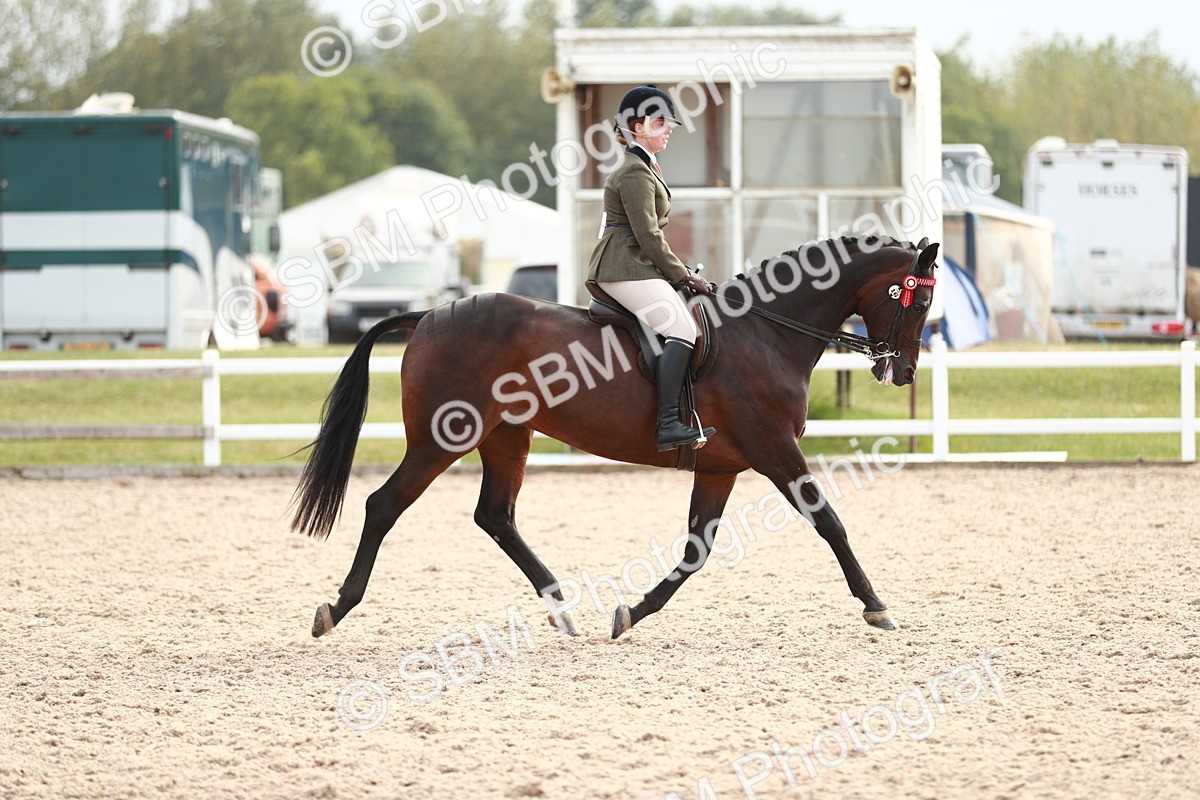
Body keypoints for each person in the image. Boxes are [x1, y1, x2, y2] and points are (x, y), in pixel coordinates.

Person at [587, 85, 717, 452]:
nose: (669, 129)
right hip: (623, 266)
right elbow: (648, 235)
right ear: (637, 126)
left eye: (669, 123)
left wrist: (679, 270)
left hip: (635, 264)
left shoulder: (644, 166)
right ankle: (669, 424)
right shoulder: (634, 172)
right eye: (661, 122)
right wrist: (683, 275)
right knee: (683, 329)